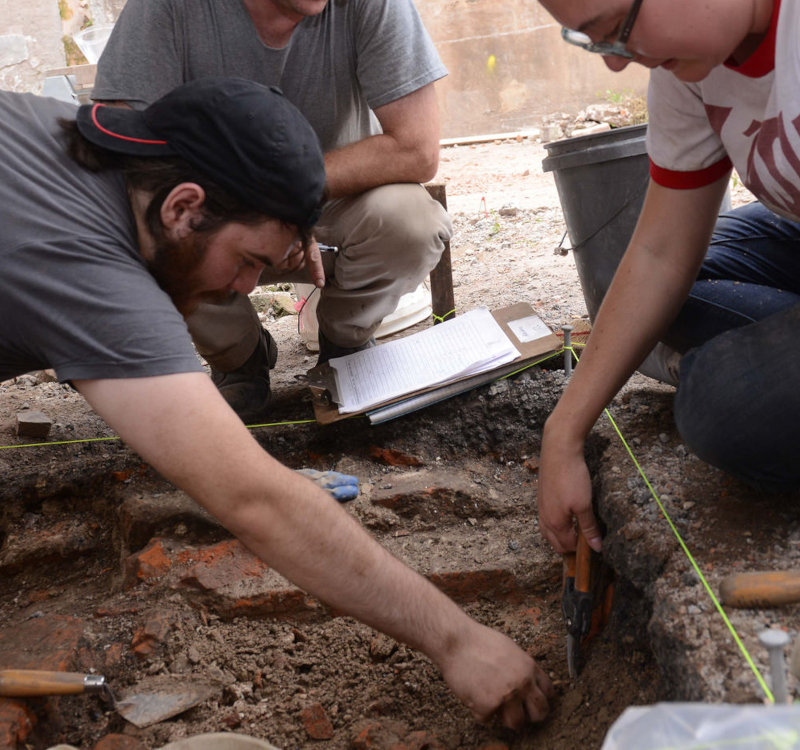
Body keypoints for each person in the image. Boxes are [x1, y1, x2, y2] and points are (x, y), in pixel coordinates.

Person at [0, 79, 554, 727]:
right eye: (247, 260)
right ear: (184, 207)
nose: (245, 286)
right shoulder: (90, 267)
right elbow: (257, 498)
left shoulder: (66, 139)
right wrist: (459, 641)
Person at [507, 0, 800, 554]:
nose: (616, 65)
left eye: (613, 31)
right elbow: (666, 248)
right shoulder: (690, 52)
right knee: (638, 294)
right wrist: (563, 431)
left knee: (720, 402)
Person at [91, 0, 452, 423]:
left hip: (333, 193)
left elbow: (417, 149)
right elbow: (124, 154)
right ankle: (237, 354)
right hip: (215, 201)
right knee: (144, 218)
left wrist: (295, 196)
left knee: (411, 221)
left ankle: (342, 343)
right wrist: (258, 204)